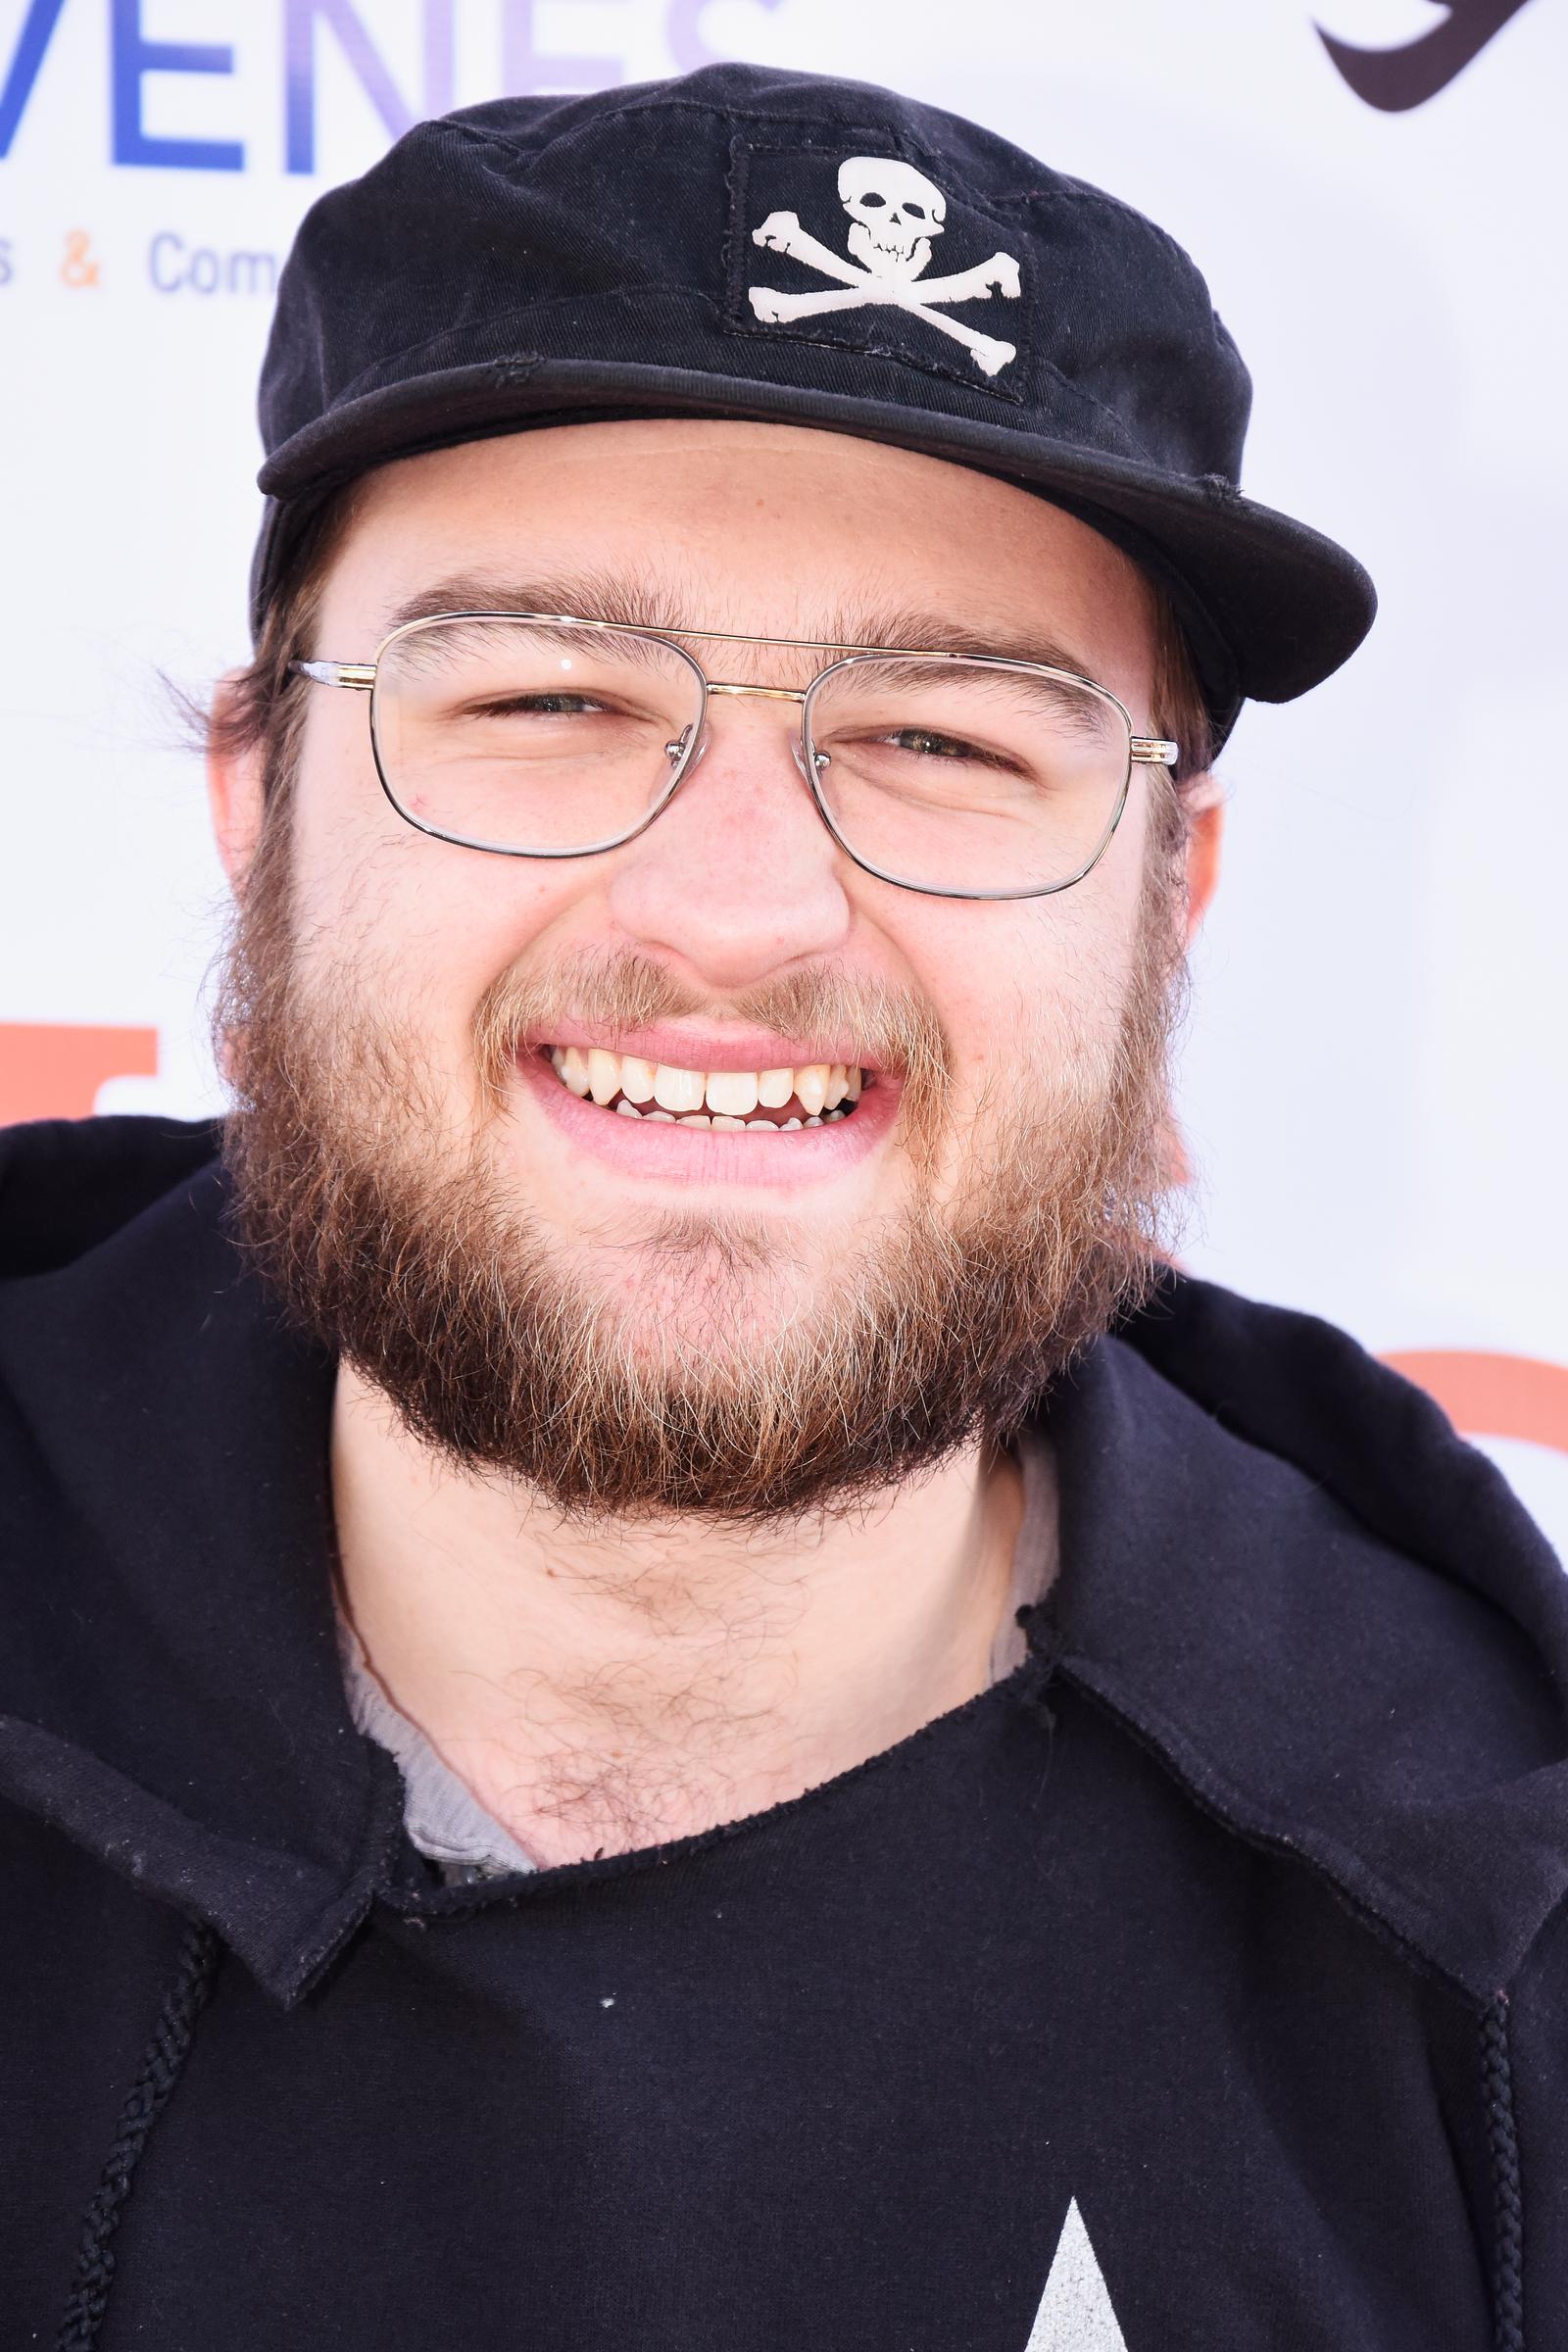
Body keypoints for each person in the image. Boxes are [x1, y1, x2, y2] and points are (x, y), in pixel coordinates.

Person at [1, 61, 1562, 2352]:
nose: (734, 909)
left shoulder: (1479, 1945)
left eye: (942, 740)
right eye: (541, 693)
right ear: (262, 800)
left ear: (1168, 892)